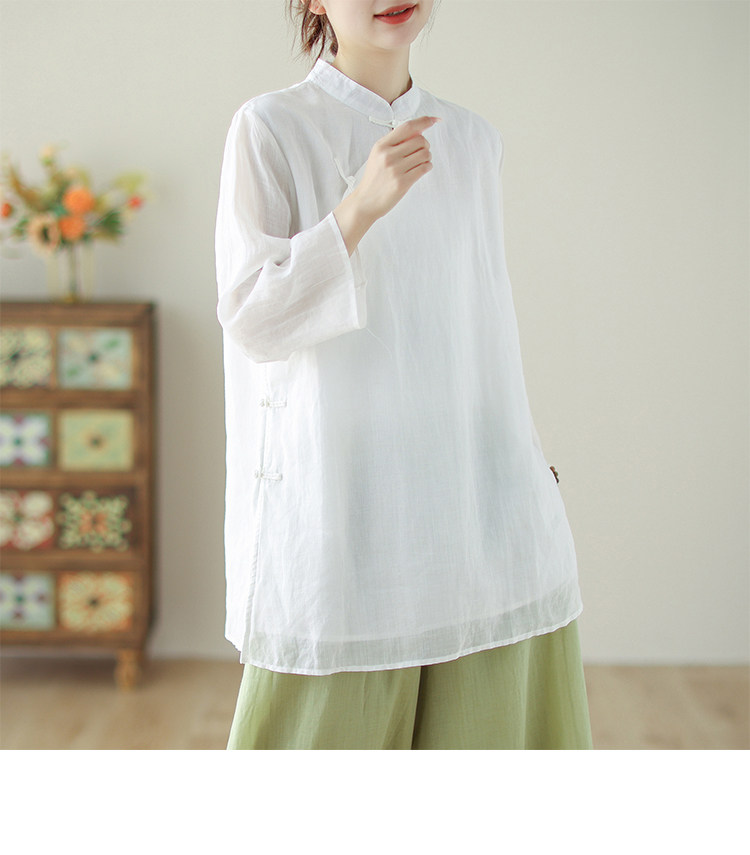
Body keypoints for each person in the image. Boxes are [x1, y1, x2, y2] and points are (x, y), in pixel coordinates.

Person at [214, 0, 594, 749]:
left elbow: (478, 325)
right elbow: (255, 319)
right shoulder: (271, 126)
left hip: (476, 500)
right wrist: (358, 209)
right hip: (341, 508)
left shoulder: (474, 140)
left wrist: (520, 459)